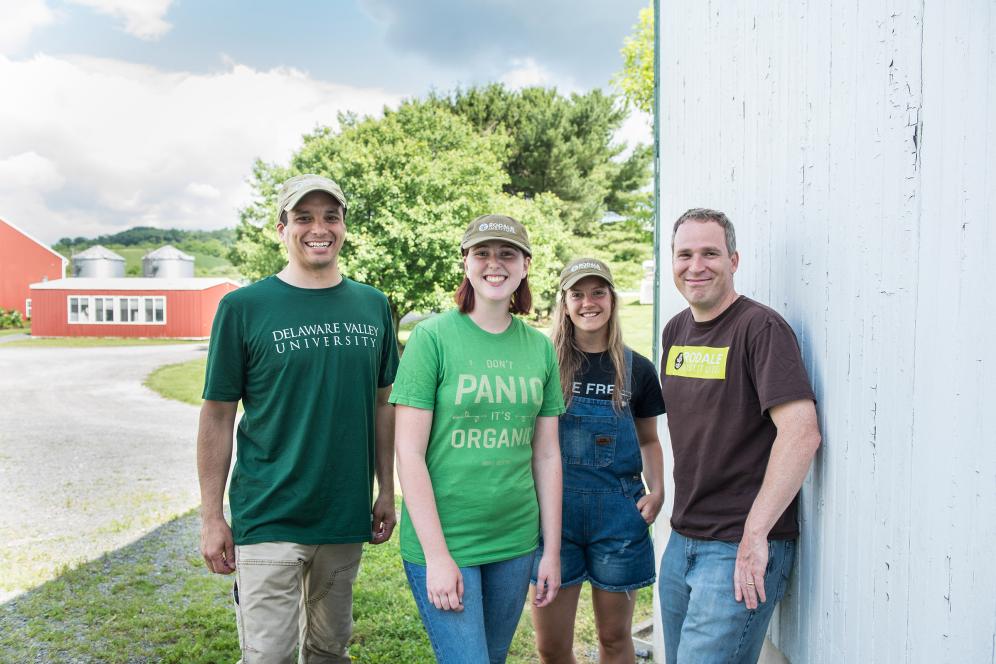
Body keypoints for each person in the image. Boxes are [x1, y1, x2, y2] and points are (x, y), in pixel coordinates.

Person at [197, 173, 400, 664]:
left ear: (344, 226)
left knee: (330, 651)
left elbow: (382, 404)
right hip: (269, 514)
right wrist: (211, 517)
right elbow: (218, 415)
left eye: (331, 216)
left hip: (342, 516)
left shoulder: (373, 306)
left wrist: (386, 489)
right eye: (304, 217)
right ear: (281, 227)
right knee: (268, 656)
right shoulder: (243, 307)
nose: (319, 228)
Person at [391, 214, 565, 664]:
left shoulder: (540, 348)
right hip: (449, 539)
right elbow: (408, 454)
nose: (495, 264)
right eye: (482, 253)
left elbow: (546, 455)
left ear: (525, 265)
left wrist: (550, 550)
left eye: (507, 254)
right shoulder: (433, 338)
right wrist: (437, 557)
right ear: (465, 263)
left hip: (515, 541)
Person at [658, 208, 822, 664]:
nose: (696, 266)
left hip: (736, 547)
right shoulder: (676, 331)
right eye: (684, 254)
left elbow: (801, 433)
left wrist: (755, 535)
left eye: (710, 253)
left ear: (734, 259)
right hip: (682, 539)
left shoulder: (759, 329)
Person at [532, 258, 666, 664]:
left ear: (612, 298)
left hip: (619, 519)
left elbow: (649, 440)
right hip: (554, 519)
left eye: (598, 292)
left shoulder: (636, 368)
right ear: (565, 303)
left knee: (614, 638)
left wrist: (658, 491)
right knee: (551, 648)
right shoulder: (544, 363)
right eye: (577, 294)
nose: (588, 303)